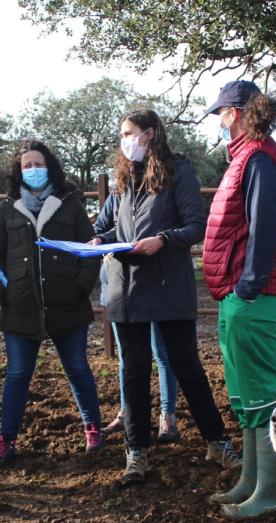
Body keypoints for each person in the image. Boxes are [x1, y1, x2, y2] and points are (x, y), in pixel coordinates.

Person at [91, 109, 240, 485]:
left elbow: (195, 225)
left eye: (130, 133)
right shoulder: (123, 180)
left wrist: (163, 240)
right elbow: (108, 227)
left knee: (186, 365)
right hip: (126, 289)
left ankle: (217, 441)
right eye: (122, 134)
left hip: (168, 285)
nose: (125, 140)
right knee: (134, 370)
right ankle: (136, 452)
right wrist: (98, 242)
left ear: (151, 134)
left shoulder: (178, 172)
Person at [202, 81, 276, 519]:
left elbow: (265, 227)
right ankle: (252, 481)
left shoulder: (258, 158)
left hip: (250, 292)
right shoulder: (246, 156)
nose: (219, 121)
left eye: (221, 113)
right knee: (244, 392)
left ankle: (273, 492)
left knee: (261, 389)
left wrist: (248, 285)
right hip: (237, 291)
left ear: (237, 112)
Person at [0, 139, 104, 467]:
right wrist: (3, 291)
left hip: (68, 305)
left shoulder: (70, 203)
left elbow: (89, 249)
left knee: (77, 367)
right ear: (18, 172)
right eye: (27, 166)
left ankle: (93, 427)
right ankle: (5, 439)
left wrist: (81, 286)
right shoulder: (8, 208)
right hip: (20, 308)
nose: (33, 170)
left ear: (49, 166)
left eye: (39, 164)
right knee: (18, 373)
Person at [95, 193, 180, 444]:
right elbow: (102, 226)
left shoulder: (161, 194)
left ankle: (168, 414)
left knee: (162, 353)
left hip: (155, 283)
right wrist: (102, 239)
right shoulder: (118, 193)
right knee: (128, 357)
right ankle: (126, 411)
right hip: (122, 284)